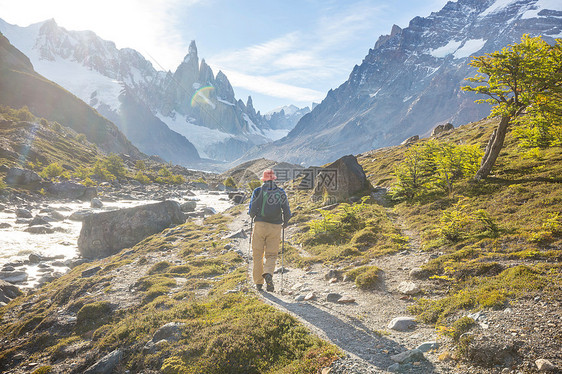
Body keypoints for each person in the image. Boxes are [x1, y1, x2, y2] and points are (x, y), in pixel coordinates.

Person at [248, 169, 291, 292]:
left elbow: (251, 211)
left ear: (264, 179)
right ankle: (268, 274)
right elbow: (287, 211)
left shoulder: (258, 191)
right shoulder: (281, 192)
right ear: (274, 179)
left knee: (257, 255)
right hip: (275, 227)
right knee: (271, 254)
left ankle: (258, 284)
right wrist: (285, 223)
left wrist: (252, 216)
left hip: (260, 225)